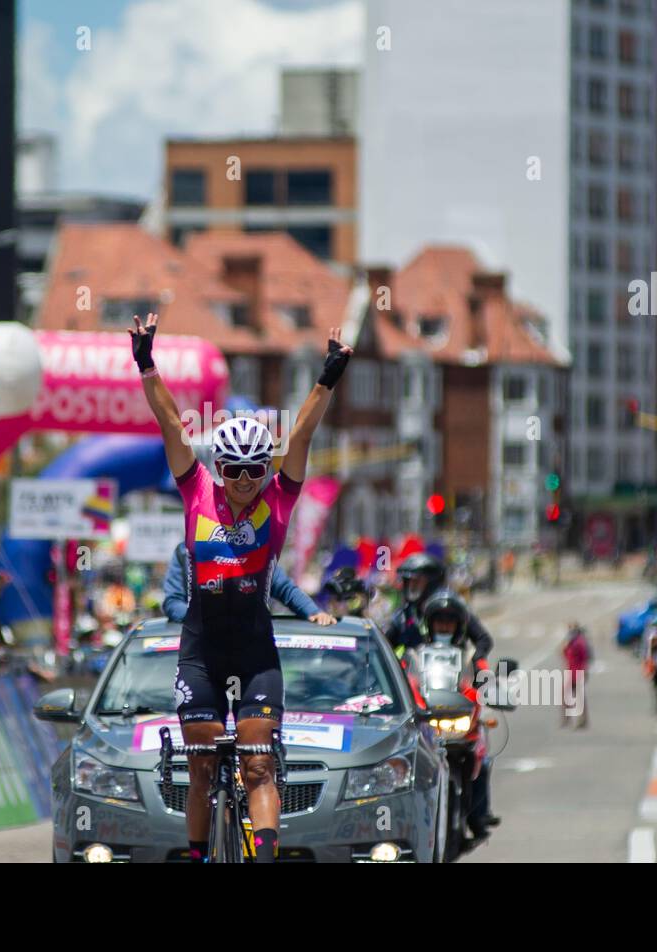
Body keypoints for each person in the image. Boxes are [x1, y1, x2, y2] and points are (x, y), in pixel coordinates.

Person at [132, 310, 349, 863]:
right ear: (220, 468)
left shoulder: (278, 500)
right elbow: (170, 425)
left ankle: (267, 854)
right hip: (201, 651)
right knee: (202, 767)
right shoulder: (196, 491)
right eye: (235, 471)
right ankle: (201, 853)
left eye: (256, 470)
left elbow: (301, 432)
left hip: (255, 653)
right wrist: (146, 364)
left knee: (257, 763)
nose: (246, 482)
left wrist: (327, 377)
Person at [419, 588, 500, 842]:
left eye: (450, 621)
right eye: (439, 621)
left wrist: (485, 695)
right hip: (428, 723)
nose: (444, 626)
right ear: (429, 624)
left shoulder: (469, 657)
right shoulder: (415, 655)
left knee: (482, 758)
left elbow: (482, 684)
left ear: (459, 626)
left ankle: (479, 815)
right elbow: (408, 684)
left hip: (461, 724)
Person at [162, 543, 334, 625]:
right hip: (198, 651)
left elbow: (285, 589)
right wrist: (205, 619)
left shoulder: (254, 550)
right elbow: (172, 602)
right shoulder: (185, 553)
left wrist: (314, 612)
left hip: (250, 649)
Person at [384, 552, 447, 654]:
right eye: (409, 581)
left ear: (432, 583)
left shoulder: (450, 610)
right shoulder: (402, 616)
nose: (412, 586)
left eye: (417, 581)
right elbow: (384, 647)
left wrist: (477, 662)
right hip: (413, 669)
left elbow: (481, 638)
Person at [560, 622, 590, 728]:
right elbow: (563, 653)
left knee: (579, 697)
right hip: (570, 671)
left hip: (578, 672)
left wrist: (584, 671)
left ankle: (582, 720)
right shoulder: (570, 642)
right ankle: (566, 718)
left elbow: (585, 658)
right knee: (565, 696)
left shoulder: (580, 642)